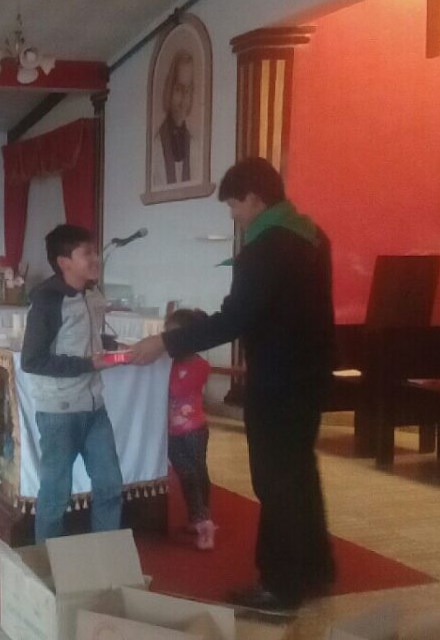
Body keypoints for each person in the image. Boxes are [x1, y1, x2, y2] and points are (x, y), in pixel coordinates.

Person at [130, 157, 336, 612]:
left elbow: (233, 320)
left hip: (277, 379)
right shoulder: (313, 236)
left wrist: (166, 342)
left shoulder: (265, 248)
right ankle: (315, 568)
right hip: (309, 376)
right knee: (300, 471)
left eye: (234, 206)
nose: (234, 215)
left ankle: (280, 585)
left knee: (275, 480)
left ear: (255, 199)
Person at [20, 224, 123, 543]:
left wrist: (110, 347)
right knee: (55, 495)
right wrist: (88, 364)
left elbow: (81, 338)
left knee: (110, 485)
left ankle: (105, 557)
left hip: (95, 407)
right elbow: (32, 360)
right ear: (64, 262)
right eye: (86, 253)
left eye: (95, 251)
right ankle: (46, 562)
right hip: (59, 411)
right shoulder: (47, 301)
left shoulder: (93, 294)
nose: (95, 258)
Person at [164, 308, 217, 550]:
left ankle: (203, 521)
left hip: (194, 430)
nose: (168, 341)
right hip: (173, 432)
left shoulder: (200, 365)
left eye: (173, 336)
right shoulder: (169, 363)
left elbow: (176, 389)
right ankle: (199, 516)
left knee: (195, 473)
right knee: (188, 474)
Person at [151, 49, 198, 187]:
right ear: (169, 90)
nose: (183, 99)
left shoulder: (195, 147)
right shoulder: (155, 147)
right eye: (178, 89)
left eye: (188, 90)